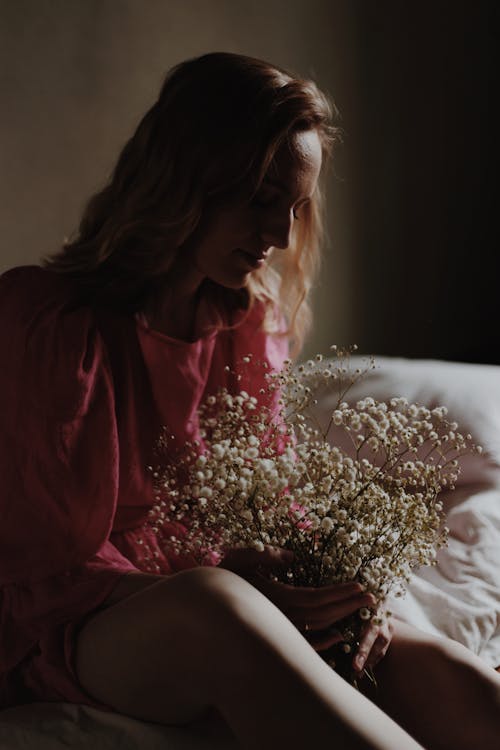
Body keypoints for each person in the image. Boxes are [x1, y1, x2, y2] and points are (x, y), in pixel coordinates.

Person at [0, 52, 498, 750]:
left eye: (297, 206)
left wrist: (342, 587)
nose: (283, 235)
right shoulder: (44, 321)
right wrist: (222, 577)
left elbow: (270, 498)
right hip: (73, 625)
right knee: (215, 605)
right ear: (186, 179)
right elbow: (44, 568)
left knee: (438, 674)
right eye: (262, 199)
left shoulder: (248, 325)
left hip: (219, 600)